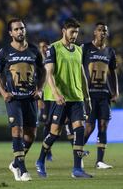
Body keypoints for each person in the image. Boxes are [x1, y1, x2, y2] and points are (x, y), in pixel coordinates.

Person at [35, 18, 93, 178]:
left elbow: (82, 74)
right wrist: (55, 92)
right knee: (54, 132)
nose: (74, 35)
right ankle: (40, 160)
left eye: (76, 32)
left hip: (77, 97)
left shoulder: (79, 50)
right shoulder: (53, 48)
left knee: (79, 129)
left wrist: (87, 97)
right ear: (63, 31)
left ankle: (77, 169)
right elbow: (49, 72)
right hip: (60, 98)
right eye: (72, 31)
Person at [0, 18, 45, 181]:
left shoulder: (34, 50)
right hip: (14, 99)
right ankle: (22, 170)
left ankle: (15, 163)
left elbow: (43, 72)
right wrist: (4, 93)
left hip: (30, 98)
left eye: (22, 28)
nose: (20, 31)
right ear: (10, 33)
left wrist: (40, 89)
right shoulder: (4, 52)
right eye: (16, 29)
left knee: (31, 135)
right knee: (17, 130)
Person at [82, 22, 119, 169]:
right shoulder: (85, 48)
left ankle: (100, 161)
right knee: (89, 127)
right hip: (89, 94)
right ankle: (77, 151)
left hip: (104, 94)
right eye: (100, 30)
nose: (102, 32)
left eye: (105, 30)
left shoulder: (110, 51)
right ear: (94, 32)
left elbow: (113, 72)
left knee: (103, 125)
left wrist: (115, 91)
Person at [37, 40, 53, 161]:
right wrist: (39, 99)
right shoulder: (37, 63)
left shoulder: (53, 58)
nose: (43, 48)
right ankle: (48, 151)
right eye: (41, 47)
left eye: (45, 46)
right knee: (47, 122)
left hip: (54, 95)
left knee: (57, 123)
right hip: (44, 97)